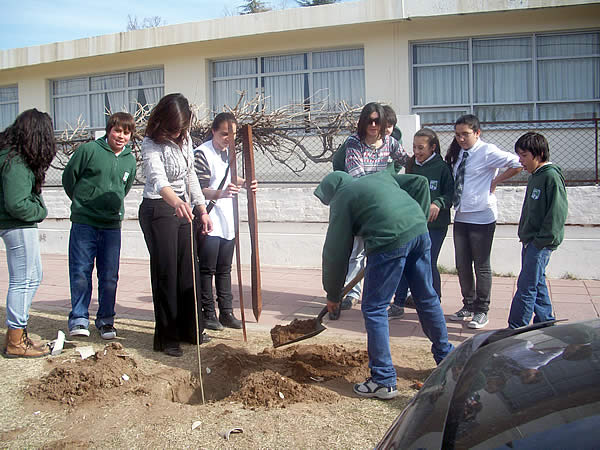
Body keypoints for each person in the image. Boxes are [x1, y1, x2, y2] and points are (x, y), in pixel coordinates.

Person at [315, 169, 454, 399]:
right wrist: (414, 220)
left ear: (333, 191)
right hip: (418, 232)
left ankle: (383, 380)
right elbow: (420, 182)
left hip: (388, 242)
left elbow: (335, 251)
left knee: (374, 308)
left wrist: (332, 293)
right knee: (427, 298)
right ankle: (448, 359)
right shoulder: (379, 177)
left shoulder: (343, 197)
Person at [138, 93, 213, 357]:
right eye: (173, 128)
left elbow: (190, 173)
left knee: (187, 270)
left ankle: (191, 330)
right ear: (162, 122)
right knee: (166, 272)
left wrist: (201, 208)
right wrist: (175, 202)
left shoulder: (185, 139)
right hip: (158, 207)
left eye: (181, 128)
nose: (178, 133)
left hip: (183, 208)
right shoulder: (150, 143)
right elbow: (158, 179)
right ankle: (168, 337)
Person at [62, 112, 137, 340]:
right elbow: (69, 179)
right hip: (84, 223)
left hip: (111, 226)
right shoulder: (88, 151)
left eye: (126, 132)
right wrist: (83, 201)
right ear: (108, 130)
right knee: (81, 272)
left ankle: (106, 321)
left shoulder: (129, 160)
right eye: (117, 130)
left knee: (109, 276)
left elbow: (125, 188)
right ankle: (79, 319)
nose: (121, 136)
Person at [331, 103, 409, 319]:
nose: (373, 125)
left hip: (382, 206)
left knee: (381, 254)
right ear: (363, 122)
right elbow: (357, 174)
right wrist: (381, 185)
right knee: (356, 252)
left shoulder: (391, 143)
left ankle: (378, 296)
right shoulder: (354, 142)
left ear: (383, 123)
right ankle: (350, 293)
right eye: (369, 120)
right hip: (361, 204)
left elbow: (409, 162)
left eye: (377, 121)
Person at [447, 114, 522, 329]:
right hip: (461, 214)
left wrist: (496, 180)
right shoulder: (460, 153)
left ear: (477, 133)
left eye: (466, 134)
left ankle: (482, 310)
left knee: (481, 265)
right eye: (458, 135)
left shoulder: (487, 151)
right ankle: (468, 305)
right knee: (462, 265)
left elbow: (517, 163)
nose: (461, 139)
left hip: (482, 215)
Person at [193, 112, 258, 331]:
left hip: (228, 220)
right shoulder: (202, 153)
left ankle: (226, 312)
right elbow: (199, 189)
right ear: (213, 131)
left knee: (224, 268)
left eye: (231, 135)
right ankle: (208, 312)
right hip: (209, 218)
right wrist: (220, 193)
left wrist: (249, 183)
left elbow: (232, 177)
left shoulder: (229, 154)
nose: (227, 139)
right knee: (207, 269)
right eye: (223, 134)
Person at [0, 109, 56, 358]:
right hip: (17, 225)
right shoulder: (17, 162)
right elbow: (16, 203)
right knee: (23, 280)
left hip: (17, 225)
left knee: (34, 276)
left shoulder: (11, 156)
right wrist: (40, 209)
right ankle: (15, 341)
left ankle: (18, 332)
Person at [389, 128, 454, 319]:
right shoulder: (411, 165)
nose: (417, 152)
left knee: (427, 262)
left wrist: (438, 203)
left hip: (435, 226)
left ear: (433, 147)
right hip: (413, 224)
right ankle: (398, 303)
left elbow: (450, 194)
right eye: (414, 147)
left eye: (421, 148)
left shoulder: (442, 168)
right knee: (404, 261)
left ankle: (434, 302)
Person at [507, 132, 568, 329]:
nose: (520, 161)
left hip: (540, 243)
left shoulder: (550, 176)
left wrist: (541, 240)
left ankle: (517, 328)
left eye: (524, 155)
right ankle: (545, 323)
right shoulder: (535, 176)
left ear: (539, 153)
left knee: (526, 287)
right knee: (538, 283)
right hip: (530, 240)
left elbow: (557, 212)